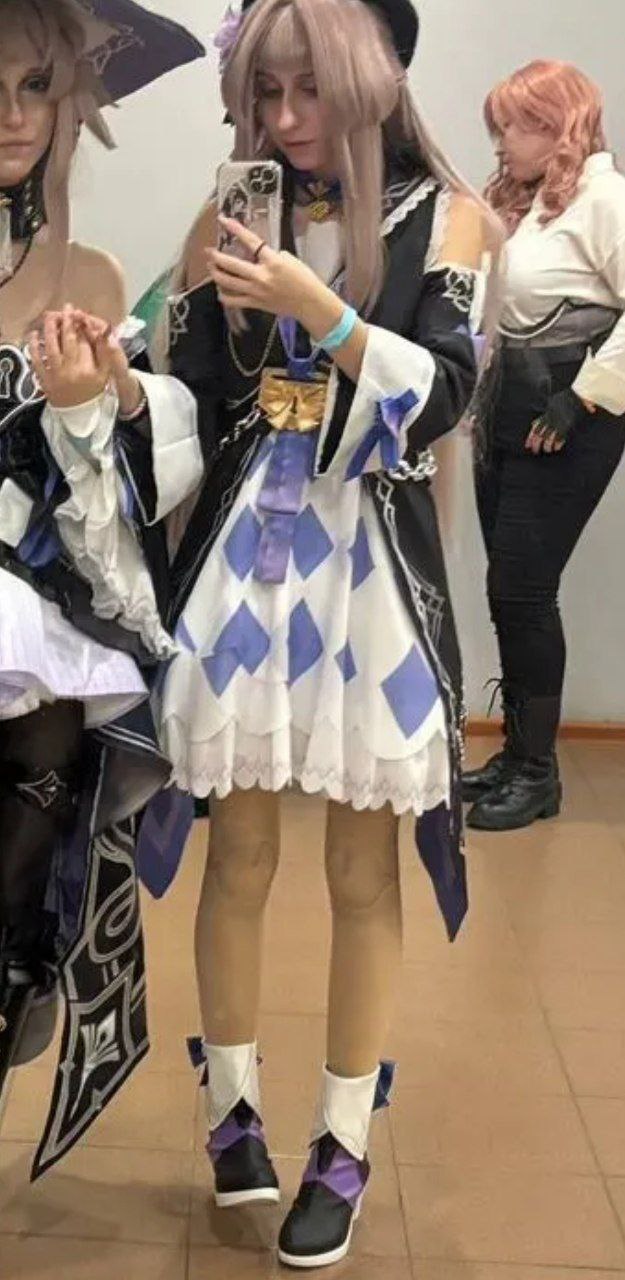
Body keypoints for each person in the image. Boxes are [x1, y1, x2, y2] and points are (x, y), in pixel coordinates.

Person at [154, 0, 499, 1266]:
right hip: (246, 569)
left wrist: (331, 316)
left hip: (369, 575)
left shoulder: (448, 219)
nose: (285, 120)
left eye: (307, 90)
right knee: (236, 853)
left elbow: (446, 390)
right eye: (263, 93)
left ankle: (342, 1139)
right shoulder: (227, 215)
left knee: (363, 869)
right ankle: (229, 1110)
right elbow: (191, 400)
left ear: (371, 80)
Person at [0, 0, 204, 1178]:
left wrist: (93, 405)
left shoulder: (93, 279)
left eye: (37, 86)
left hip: (36, 631)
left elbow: (111, 518)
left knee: (31, 826)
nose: (13, 116)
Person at [463, 60, 625, 831]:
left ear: (559, 126)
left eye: (516, 127)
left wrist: (582, 396)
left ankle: (536, 774)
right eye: (497, 127)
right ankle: (516, 756)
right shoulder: (529, 203)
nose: (501, 143)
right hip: (509, 407)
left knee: (523, 590)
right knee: (507, 590)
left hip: (569, 414)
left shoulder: (604, 198)